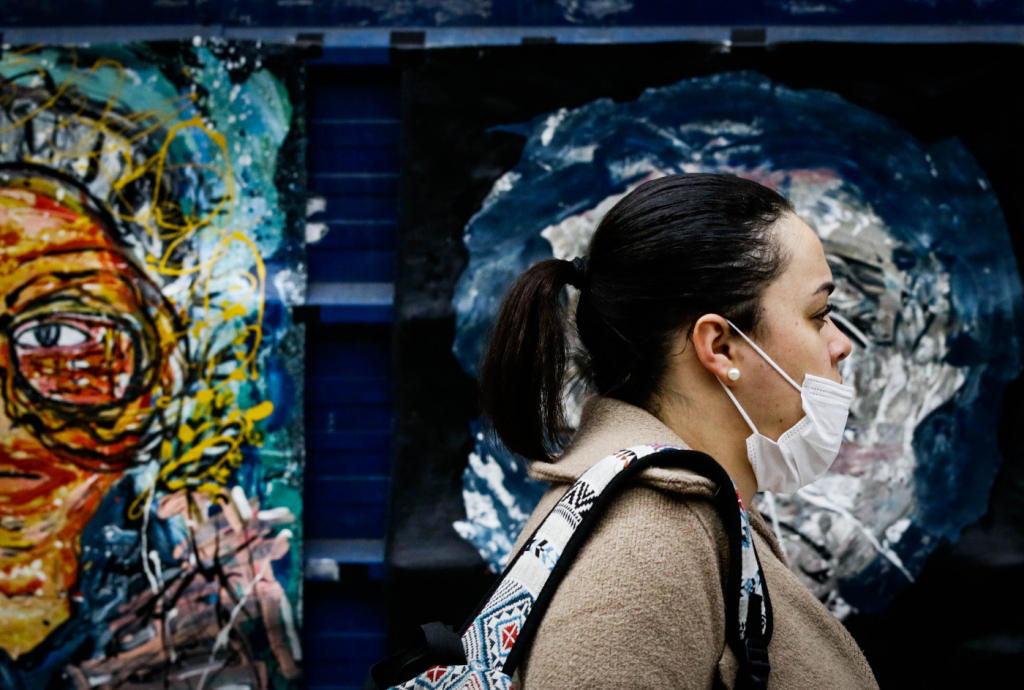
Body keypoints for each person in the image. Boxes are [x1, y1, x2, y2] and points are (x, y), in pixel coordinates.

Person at [479, 173, 879, 689]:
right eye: (818, 313)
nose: (840, 343)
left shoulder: (679, 519)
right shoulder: (643, 551)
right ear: (720, 346)